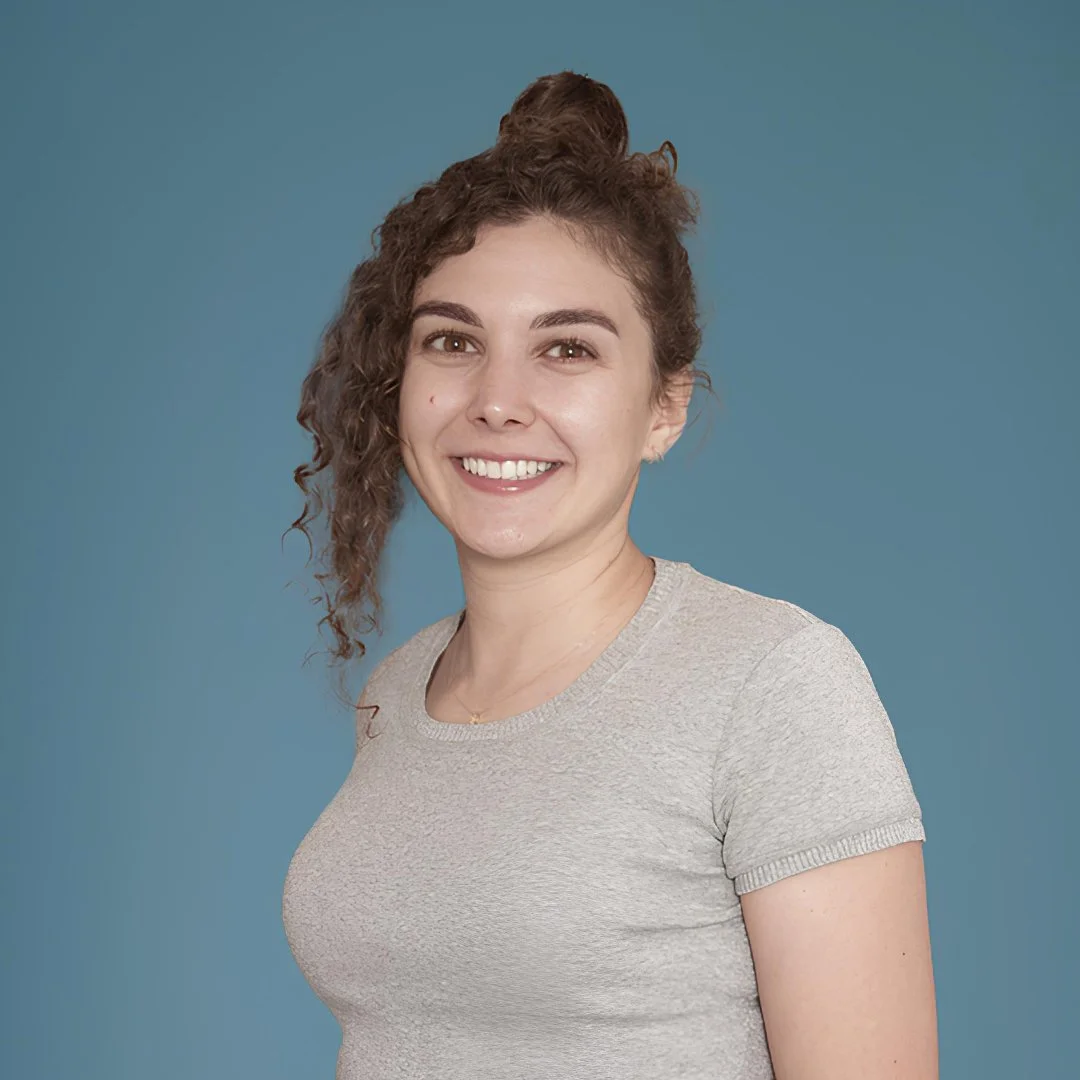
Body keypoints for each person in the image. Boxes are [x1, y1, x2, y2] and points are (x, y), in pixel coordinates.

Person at [281, 71, 938, 1079]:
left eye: (567, 350)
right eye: (453, 341)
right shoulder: (398, 693)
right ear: (401, 383)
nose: (498, 400)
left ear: (663, 408)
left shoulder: (773, 685)